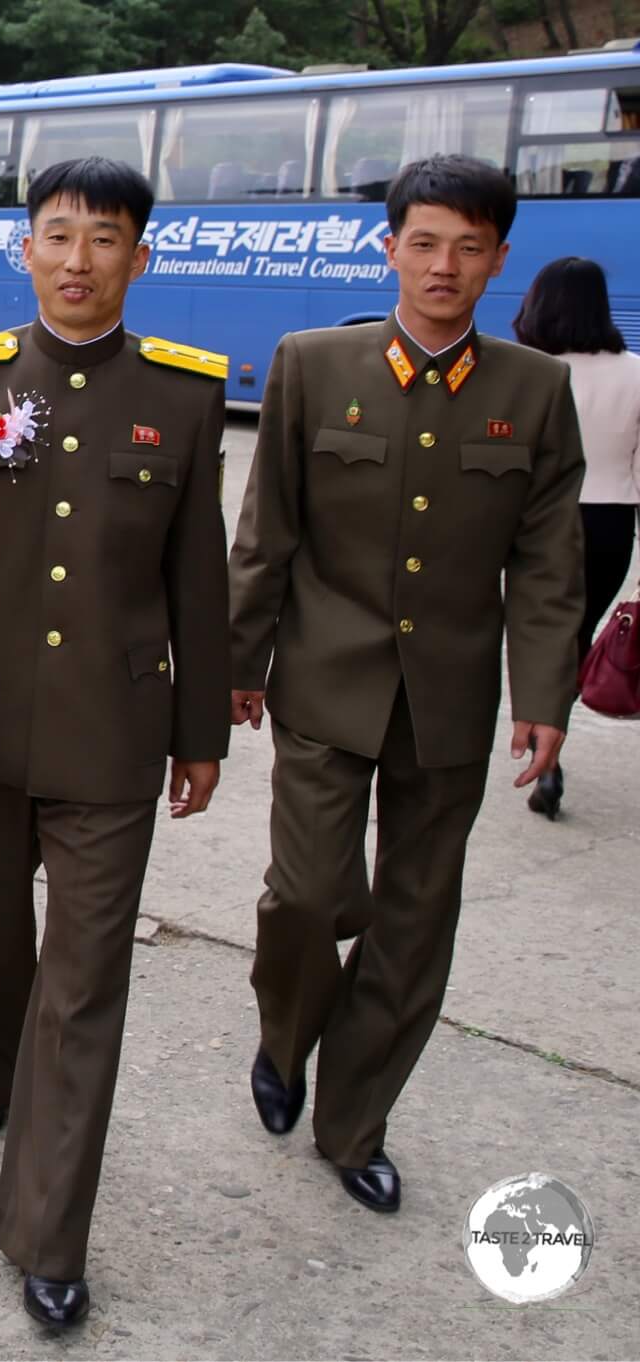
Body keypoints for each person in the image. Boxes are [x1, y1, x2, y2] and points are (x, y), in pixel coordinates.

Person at [0, 157, 230, 1327]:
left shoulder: (180, 397)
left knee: (82, 988)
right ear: (22, 250)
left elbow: (196, 580)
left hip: (112, 740)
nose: (77, 259)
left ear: (140, 257)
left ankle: (45, 1235)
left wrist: (198, 731)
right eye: (57, 235)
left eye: (103, 238)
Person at [230, 156, 585, 1220]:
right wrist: (235, 667)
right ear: (386, 248)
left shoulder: (534, 387)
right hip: (324, 683)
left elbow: (545, 559)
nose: (442, 265)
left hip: (447, 697)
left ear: (496, 260)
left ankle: (353, 1124)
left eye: (466, 246)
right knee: (302, 896)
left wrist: (543, 695)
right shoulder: (311, 364)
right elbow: (265, 536)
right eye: (422, 242)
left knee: (414, 921)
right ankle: (284, 1037)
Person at [511, 255, 640, 818]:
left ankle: (542, 752)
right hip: (609, 521)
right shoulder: (636, 371)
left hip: (535, 518)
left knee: (536, 632)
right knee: (577, 635)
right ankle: (550, 742)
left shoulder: (525, 369)